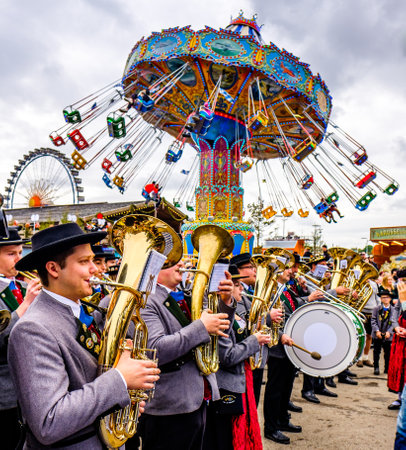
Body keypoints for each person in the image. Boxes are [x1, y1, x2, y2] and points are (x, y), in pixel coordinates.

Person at [8, 223, 159, 448]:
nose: (95, 269)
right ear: (53, 269)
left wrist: (123, 398)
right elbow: (49, 422)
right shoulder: (32, 329)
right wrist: (119, 379)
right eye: (84, 262)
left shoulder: (85, 310)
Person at [138, 258, 234, 450]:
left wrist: (225, 301)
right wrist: (201, 327)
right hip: (169, 405)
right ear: (156, 265)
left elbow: (223, 331)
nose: (181, 265)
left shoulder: (187, 296)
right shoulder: (145, 300)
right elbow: (156, 349)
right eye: (173, 261)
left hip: (197, 397)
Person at [203, 265, 269, 450]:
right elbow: (228, 356)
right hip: (227, 386)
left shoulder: (238, 311)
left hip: (242, 379)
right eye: (237, 284)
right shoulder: (217, 313)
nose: (242, 288)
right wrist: (254, 341)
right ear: (224, 287)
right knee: (226, 440)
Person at [0, 227, 41, 449]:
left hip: (28, 389)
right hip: (5, 396)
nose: (19, 259)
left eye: (20, 252)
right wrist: (25, 306)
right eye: (11, 254)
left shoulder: (21, 285)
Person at [229, 252, 283, 405]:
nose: (255, 271)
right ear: (238, 270)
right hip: (244, 356)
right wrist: (267, 316)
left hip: (256, 355)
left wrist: (279, 334)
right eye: (251, 267)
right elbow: (243, 323)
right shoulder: (234, 294)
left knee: (253, 402)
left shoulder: (248, 293)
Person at [263, 266, 300, 445]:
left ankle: (282, 419)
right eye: (285, 268)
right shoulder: (269, 291)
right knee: (274, 390)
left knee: (286, 386)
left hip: (289, 346)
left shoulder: (285, 291)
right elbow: (262, 320)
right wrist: (280, 336)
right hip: (277, 347)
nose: (290, 271)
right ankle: (271, 427)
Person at [387, 272, 406, 410]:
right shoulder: (402, 295)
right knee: (399, 368)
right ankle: (400, 397)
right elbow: (395, 312)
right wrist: (396, 327)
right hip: (400, 339)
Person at [371, 289, 395, 375]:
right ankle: (376, 367)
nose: (385, 299)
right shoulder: (376, 309)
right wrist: (377, 331)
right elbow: (373, 320)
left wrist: (389, 332)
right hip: (378, 334)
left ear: (390, 299)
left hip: (388, 335)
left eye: (387, 297)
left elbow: (394, 322)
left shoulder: (394, 310)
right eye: (383, 298)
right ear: (380, 299)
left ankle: (387, 367)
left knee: (387, 352)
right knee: (376, 351)